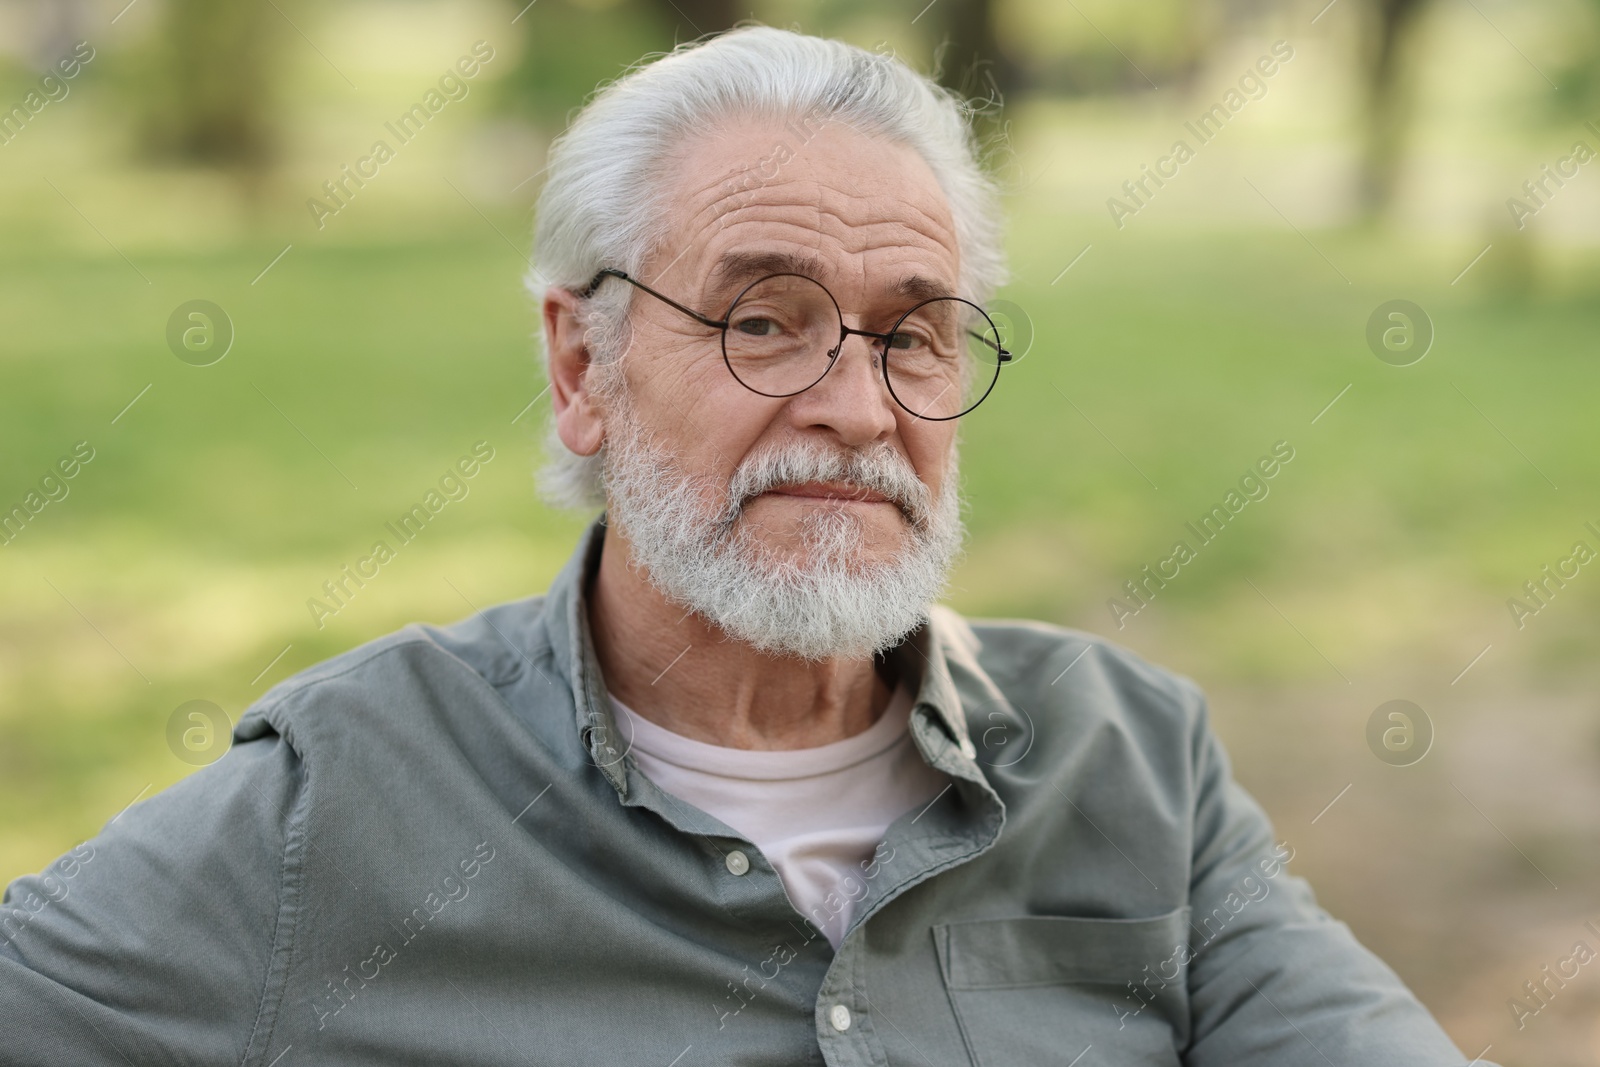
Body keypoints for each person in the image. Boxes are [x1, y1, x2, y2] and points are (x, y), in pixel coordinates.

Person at [0, 26, 1489, 1066]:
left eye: (914, 333)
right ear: (583, 366)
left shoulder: (1133, 765)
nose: (856, 407)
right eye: (763, 320)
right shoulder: (346, 806)